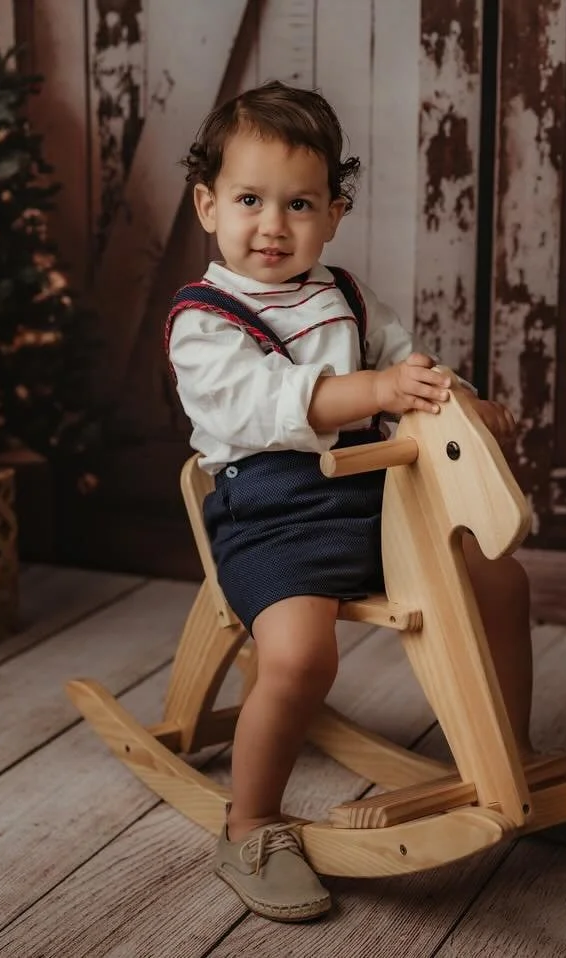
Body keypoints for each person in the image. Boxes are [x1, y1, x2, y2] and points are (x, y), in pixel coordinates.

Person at [167, 80, 536, 923]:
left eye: (299, 204)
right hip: (271, 516)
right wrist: (373, 389)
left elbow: (412, 367)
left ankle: (511, 752)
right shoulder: (204, 320)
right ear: (207, 205)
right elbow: (263, 403)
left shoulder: (347, 296)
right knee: (301, 656)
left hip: (376, 501)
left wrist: (460, 401)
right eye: (250, 200)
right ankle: (252, 824)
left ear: (333, 215)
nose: (273, 225)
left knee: (499, 581)